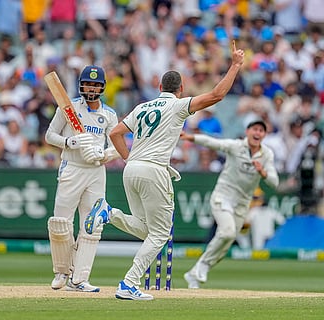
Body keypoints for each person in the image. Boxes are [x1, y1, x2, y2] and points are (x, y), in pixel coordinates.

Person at [84, 41, 246, 300]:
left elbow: (115, 133)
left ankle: (109, 213)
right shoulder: (178, 105)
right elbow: (216, 95)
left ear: (159, 88)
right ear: (180, 90)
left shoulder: (142, 107)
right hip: (154, 170)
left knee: (145, 229)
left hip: (132, 170)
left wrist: (129, 159)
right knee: (160, 233)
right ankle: (128, 283)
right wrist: (235, 65)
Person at [45, 65, 120, 292]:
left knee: (92, 225)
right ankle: (61, 272)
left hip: (96, 172)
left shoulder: (109, 114)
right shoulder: (69, 108)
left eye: (96, 85)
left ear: (102, 88)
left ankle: (79, 279)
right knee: (61, 222)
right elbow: (50, 135)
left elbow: (117, 144)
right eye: (88, 83)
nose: (91, 88)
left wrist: (104, 154)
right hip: (72, 168)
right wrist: (69, 142)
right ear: (81, 85)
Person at [180, 119, 279, 289]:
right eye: (254, 129)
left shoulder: (267, 154)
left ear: (264, 135)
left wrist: (262, 172)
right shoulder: (236, 146)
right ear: (247, 131)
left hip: (242, 204)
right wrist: (191, 137)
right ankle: (201, 267)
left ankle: (194, 274)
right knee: (227, 232)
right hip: (223, 196)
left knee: (226, 244)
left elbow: (274, 182)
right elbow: (213, 143)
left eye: (261, 131)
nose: (257, 133)